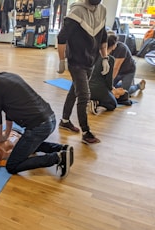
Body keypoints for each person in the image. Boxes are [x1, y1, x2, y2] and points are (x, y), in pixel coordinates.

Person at [0, 63, 73, 178]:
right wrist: (6, 134)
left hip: (39, 126)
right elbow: (9, 111)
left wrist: (0, 137)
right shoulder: (7, 75)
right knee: (24, 145)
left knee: (12, 166)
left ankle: (57, 157)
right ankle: (62, 149)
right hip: (50, 118)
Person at [57, 0, 109, 144]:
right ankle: (86, 132)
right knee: (84, 95)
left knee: (75, 90)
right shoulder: (76, 12)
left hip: (91, 60)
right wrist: (62, 60)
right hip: (76, 61)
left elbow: (103, 36)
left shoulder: (102, 10)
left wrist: (105, 58)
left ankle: (65, 121)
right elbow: (61, 37)